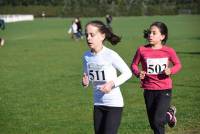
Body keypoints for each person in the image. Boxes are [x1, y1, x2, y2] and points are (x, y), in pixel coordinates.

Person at [131, 21, 182, 134]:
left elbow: (178, 65)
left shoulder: (169, 51)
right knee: (154, 124)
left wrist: (170, 70)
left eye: (154, 33)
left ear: (162, 36)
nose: (150, 35)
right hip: (149, 90)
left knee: (158, 120)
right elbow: (134, 64)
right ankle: (169, 116)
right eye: (150, 32)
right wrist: (138, 73)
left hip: (164, 89)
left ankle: (169, 114)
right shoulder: (141, 50)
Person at [82, 20, 132, 134]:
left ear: (102, 36)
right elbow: (88, 77)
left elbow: (127, 73)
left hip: (113, 104)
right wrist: (85, 82)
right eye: (87, 35)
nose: (88, 38)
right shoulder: (86, 56)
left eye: (92, 35)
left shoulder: (110, 55)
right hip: (98, 103)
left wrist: (111, 84)